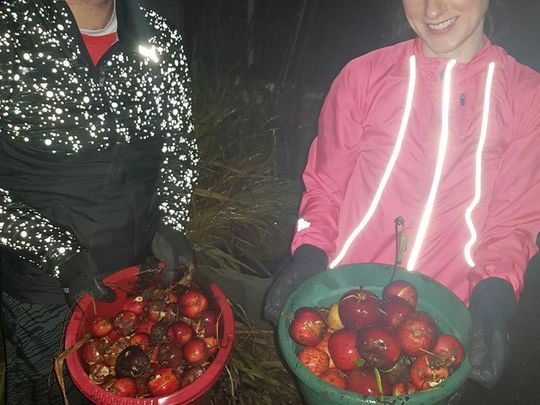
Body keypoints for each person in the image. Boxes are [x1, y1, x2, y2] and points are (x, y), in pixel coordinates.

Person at [265, 0, 540, 391]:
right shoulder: (363, 76)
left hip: (438, 328)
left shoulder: (527, 97)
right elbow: (326, 184)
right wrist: (311, 248)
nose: (433, 8)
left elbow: (513, 222)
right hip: (342, 308)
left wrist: (494, 292)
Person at [0, 0, 197, 403]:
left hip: (137, 280)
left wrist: (171, 223)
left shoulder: (157, 35)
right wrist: (55, 252)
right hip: (45, 290)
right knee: (49, 391)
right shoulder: (10, 28)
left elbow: (179, 147)